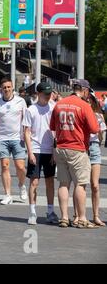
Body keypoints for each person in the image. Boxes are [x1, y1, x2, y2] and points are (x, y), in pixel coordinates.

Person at [50, 79, 99, 228]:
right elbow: (94, 129)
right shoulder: (84, 105)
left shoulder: (59, 104)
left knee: (63, 184)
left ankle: (64, 217)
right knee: (80, 184)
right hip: (77, 148)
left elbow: (52, 126)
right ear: (84, 90)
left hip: (61, 147)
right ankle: (82, 218)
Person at [0, 78, 28, 205]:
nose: (7, 89)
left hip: (17, 138)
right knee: (5, 166)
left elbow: (26, 120)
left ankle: (21, 184)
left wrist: (27, 135)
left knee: (20, 167)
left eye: (9, 87)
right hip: (2, 138)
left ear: (12, 87)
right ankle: (7, 194)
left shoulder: (20, 101)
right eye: (4, 87)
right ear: (1, 89)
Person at [23, 83, 59, 225]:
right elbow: (26, 132)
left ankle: (50, 211)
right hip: (36, 149)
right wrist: (30, 152)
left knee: (50, 181)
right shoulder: (31, 110)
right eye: (45, 93)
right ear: (38, 94)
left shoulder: (53, 108)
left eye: (50, 93)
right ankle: (32, 212)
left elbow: (57, 130)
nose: (48, 96)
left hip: (50, 149)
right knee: (34, 182)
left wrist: (54, 151)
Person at [86, 93, 106, 226]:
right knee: (80, 184)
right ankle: (78, 214)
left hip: (93, 147)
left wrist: (98, 130)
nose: (87, 103)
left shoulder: (98, 116)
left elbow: (100, 138)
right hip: (81, 147)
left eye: (89, 100)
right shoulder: (79, 113)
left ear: (93, 102)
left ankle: (96, 215)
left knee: (95, 184)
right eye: (85, 100)